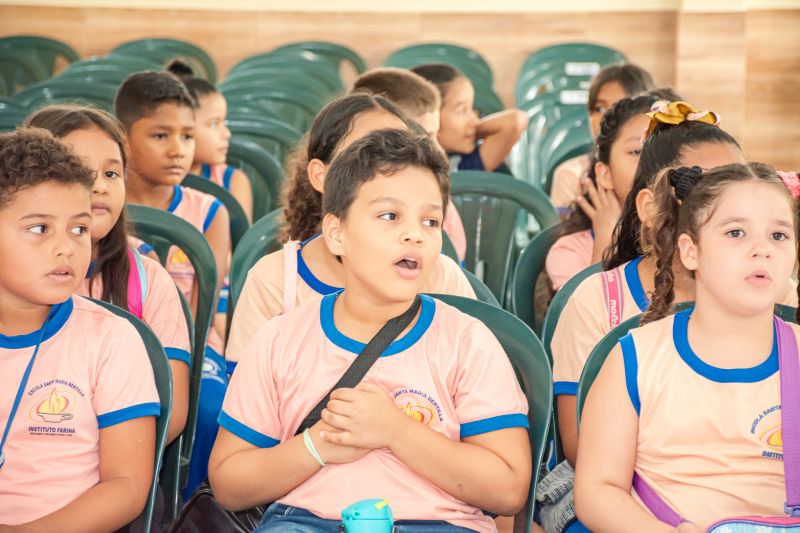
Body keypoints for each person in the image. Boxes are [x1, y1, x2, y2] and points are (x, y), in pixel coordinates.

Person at [210, 128, 531, 533]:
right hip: (306, 524)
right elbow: (229, 484)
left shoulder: (467, 342)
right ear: (336, 233)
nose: (415, 234)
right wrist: (317, 445)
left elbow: (508, 490)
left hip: (437, 525)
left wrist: (396, 431)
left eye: (431, 221)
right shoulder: (280, 340)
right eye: (389, 216)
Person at [575, 162, 800, 531]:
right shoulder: (636, 358)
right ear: (690, 251)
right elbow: (597, 490)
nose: (762, 250)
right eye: (736, 232)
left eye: (779, 235)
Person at [550, 100, 751, 467]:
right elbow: (580, 444)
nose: (730, 210)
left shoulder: (772, 294)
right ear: (648, 207)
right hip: (625, 481)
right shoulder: (596, 301)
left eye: (738, 190)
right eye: (705, 191)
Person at [226, 93, 475, 369]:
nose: (391, 169)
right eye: (364, 154)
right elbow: (247, 387)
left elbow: (477, 374)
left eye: (399, 149)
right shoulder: (275, 281)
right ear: (321, 175)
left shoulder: (440, 276)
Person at [0, 128, 159, 530]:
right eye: (40, 229)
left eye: (79, 229)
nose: (66, 248)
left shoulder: (111, 340)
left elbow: (126, 487)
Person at [25, 104, 191, 443]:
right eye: (80, 171)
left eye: (112, 173)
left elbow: (172, 409)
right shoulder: (14, 278)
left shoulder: (149, 281)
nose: (100, 186)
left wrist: (92, 453)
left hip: (119, 456)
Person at [115, 69, 231, 496]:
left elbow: (203, 310)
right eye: (160, 136)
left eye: (187, 136)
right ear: (123, 140)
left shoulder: (209, 212)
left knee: (212, 408)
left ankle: (193, 507)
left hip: (191, 347)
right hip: (118, 345)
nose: (178, 149)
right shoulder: (107, 207)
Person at [352, 66, 468, 261]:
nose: (439, 150)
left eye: (436, 135)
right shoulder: (345, 203)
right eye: (425, 137)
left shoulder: (441, 210)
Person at [545, 94, 657, 291]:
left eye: (663, 150)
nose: (655, 162)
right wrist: (606, 237)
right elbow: (586, 308)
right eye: (636, 152)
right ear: (605, 174)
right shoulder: (571, 250)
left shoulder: (691, 241)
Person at [550, 64, 656, 211]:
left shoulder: (661, 173)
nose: (606, 117)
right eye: (599, 108)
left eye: (619, 107)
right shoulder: (570, 175)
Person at [166, 59, 253, 221]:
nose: (226, 133)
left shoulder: (233, 182)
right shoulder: (156, 183)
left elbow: (244, 237)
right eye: (214, 124)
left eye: (224, 123)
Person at [412, 63, 527, 173]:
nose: (474, 120)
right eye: (462, 111)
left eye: (472, 108)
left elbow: (516, 121)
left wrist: (473, 131)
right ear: (431, 117)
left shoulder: (463, 165)